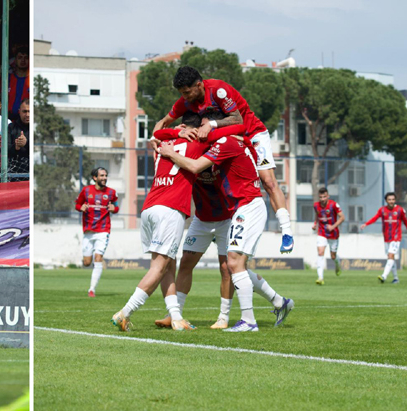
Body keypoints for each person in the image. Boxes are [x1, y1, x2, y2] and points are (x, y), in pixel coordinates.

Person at [157, 111, 294, 332]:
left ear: (214, 125)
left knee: (230, 266)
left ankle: (239, 320)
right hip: (212, 216)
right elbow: (158, 134)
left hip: (241, 209)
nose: (200, 131)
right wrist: (176, 132)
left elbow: (193, 166)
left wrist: (170, 152)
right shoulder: (217, 143)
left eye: (204, 126)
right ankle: (279, 302)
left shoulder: (225, 143)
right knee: (230, 266)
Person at [152, 66, 294, 254]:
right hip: (226, 140)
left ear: (199, 85)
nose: (184, 97)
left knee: (267, 180)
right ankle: (219, 228)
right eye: (181, 93)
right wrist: (156, 138)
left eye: (187, 92)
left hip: (251, 132)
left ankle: (286, 231)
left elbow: (238, 120)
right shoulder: (185, 102)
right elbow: (161, 123)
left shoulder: (219, 90)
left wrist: (211, 124)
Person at [111, 112, 202, 332]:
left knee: (168, 266)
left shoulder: (163, 141)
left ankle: (177, 318)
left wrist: (174, 130)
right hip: (170, 209)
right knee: (159, 267)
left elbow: (156, 131)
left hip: (150, 207)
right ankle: (124, 313)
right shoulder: (197, 141)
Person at [75, 167, 119, 298]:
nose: (104, 178)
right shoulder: (86, 190)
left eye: (106, 175)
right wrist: (80, 207)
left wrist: (114, 208)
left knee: (98, 258)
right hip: (88, 231)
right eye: (102, 176)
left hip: (103, 230)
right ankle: (89, 263)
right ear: (95, 178)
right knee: (87, 262)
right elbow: (77, 204)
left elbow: (116, 206)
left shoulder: (111, 192)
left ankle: (92, 290)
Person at [360, 192, 407, 284]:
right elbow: (375, 218)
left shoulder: (399, 210)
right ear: (386, 200)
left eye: (393, 199)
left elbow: (405, 221)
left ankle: (383, 276)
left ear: (395, 200)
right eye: (389, 199)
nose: (391, 201)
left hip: (396, 237)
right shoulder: (382, 210)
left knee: (390, 255)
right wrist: (366, 224)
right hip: (387, 238)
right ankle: (396, 278)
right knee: (390, 258)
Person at [313, 187, 345, 284]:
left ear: (328, 196)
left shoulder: (334, 205)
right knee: (320, 252)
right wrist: (315, 223)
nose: (322, 199)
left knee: (333, 256)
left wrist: (333, 226)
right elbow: (317, 215)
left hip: (333, 234)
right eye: (321, 197)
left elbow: (342, 217)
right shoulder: (316, 205)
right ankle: (320, 278)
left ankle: (337, 264)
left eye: (324, 197)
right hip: (322, 232)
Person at [7, 46, 29, 120]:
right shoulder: (7, 79)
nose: (23, 60)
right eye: (20, 57)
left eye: (26, 58)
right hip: (9, 120)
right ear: (15, 60)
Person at [7, 98, 29, 171]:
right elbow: (4, 151)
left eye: (30, 111)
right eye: (25, 111)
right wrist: (16, 147)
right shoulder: (11, 127)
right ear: (19, 112)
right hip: (15, 172)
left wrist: (26, 143)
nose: (27, 115)